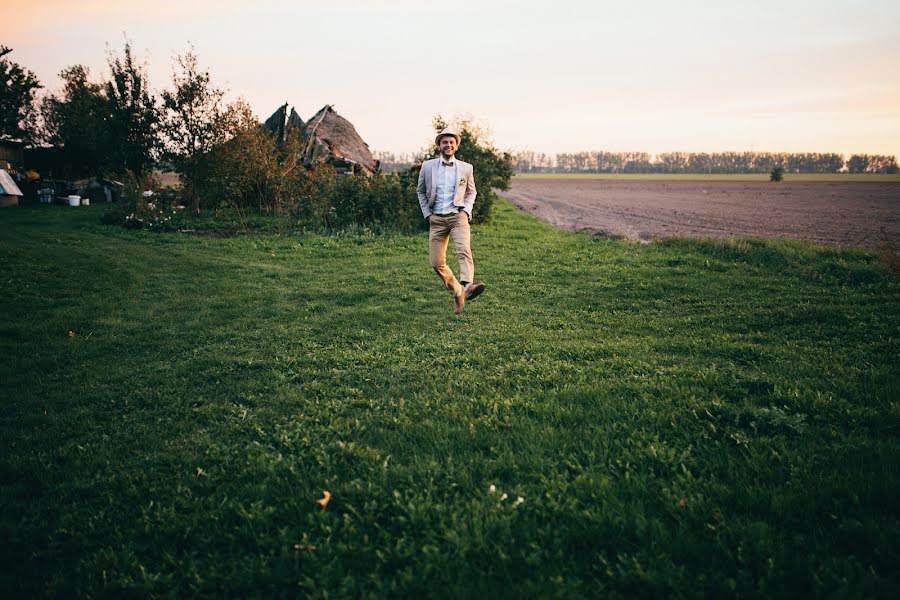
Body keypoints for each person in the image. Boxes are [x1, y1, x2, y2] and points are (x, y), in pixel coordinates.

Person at [417, 128, 486, 314]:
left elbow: (472, 192)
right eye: (444, 142)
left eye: (451, 142)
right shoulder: (428, 166)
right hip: (437, 219)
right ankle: (457, 290)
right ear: (438, 146)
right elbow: (421, 192)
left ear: (456, 146)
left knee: (463, 250)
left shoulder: (466, 168)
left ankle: (468, 284)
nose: (448, 145)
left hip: (458, 217)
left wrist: (466, 211)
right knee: (436, 262)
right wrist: (427, 215)